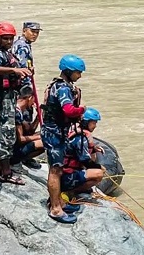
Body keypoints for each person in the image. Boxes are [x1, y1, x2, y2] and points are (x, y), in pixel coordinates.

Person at [41, 54, 87, 224]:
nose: (80, 76)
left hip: (56, 132)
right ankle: (55, 209)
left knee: (58, 170)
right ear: (68, 71)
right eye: (78, 73)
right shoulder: (63, 88)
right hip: (54, 134)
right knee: (55, 170)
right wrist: (82, 110)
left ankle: (58, 201)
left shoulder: (60, 85)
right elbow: (68, 109)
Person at [0, 22, 31, 185]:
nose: (9, 41)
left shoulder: (8, 53)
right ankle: (6, 172)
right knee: (7, 135)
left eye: (11, 38)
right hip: (3, 100)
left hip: (10, 96)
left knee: (4, 133)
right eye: (5, 38)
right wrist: (14, 71)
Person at [61, 108, 105, 198]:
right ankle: (71, 192)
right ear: (86, 122)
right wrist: (100, 167)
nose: (95, 126)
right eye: (93, 123)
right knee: (99, 173)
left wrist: (93, 149)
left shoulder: (77, 132)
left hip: (68, 173)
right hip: (67, 176)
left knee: (95, 166)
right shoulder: (80, 138)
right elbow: (85, 161)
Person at [10, 85, 45, 168]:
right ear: (29, 98)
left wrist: (38, 116)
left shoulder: (18, 109)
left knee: (45, 134)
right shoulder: (17, 113)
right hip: (12, 152)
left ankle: (24, 159)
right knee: (46, 142)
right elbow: (21, 139)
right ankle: (21, 159)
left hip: (16, 146)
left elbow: (30, 131)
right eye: (33, 100)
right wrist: (40, 137)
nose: (34, 103)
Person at [12, 22, 42, 117]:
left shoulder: (20, 43)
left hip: (16, 85)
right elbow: (23, 70)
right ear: (24, 31)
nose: (35, 35)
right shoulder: (23, 46)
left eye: (37, 32)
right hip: (22, 87)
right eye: (32, 31)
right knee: (24, 115)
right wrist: (29, 91)